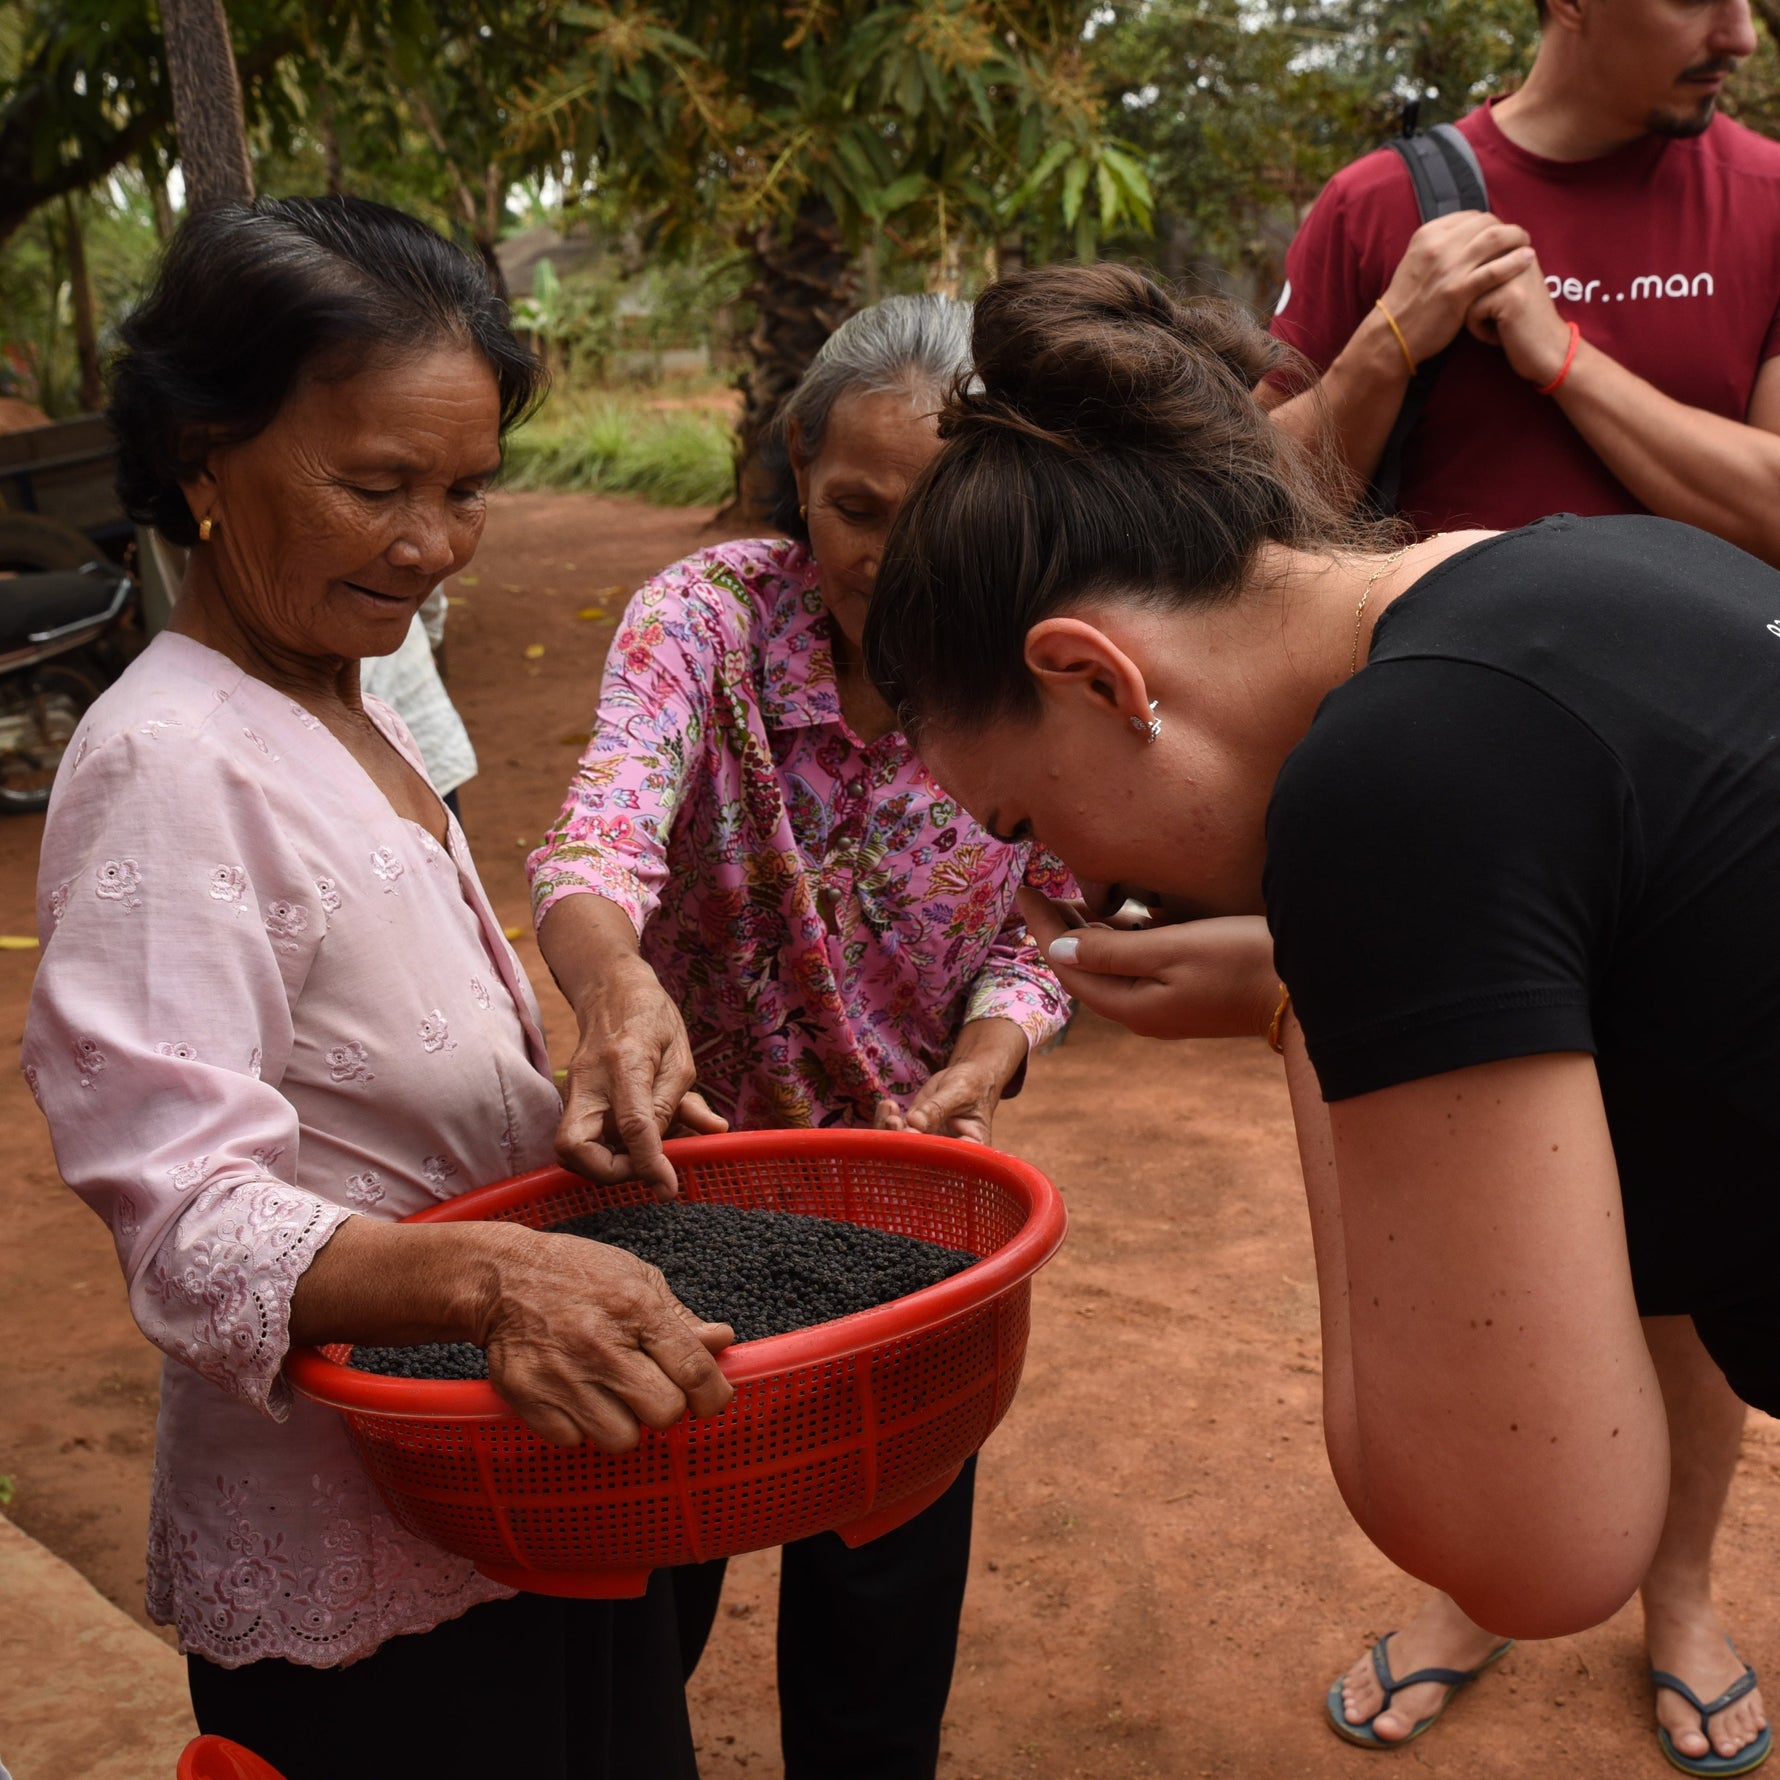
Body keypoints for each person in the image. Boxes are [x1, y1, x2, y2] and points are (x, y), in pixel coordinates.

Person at [863, 263, 1780, 1778]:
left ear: (1093, 674)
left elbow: (1527, 1543)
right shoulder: (1567, 570)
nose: (1075, 878)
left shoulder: (1390, 784)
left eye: (1029, 817)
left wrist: (1312, 1000)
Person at [20, 195, 734, 1780]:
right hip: (368, 1558)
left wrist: (581, 1082)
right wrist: (495, 1282)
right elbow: (187, 1213)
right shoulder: (165, 760)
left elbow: (363, 1058)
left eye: (467, 491)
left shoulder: (355, 691)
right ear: (206, 454)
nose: (431, 544)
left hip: (515, 1480)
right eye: (374, 486)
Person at [1266, 0, 1780, 1759]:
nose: (1740, 26)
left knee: (1699, 1244)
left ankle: (1686, 1593)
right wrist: (1386, 349)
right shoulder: (1371, 211)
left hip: (1702, 840)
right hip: (1454, 852)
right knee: (1479, 1251)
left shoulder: (1774, 200)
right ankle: (1474, 1582)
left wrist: (1563, 366)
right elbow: (1250, 535)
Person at [526, 294, 1071, 1779]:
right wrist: (615, 986)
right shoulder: (705, 617)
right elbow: (600, 835)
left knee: (879, 1641)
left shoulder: (1047, 664)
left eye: (935, 515)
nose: (888, 558)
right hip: (680, 1197)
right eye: (853, 507)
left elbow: (1053, 929)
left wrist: (985, 1057)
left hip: (906, 1207)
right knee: (647, 1604)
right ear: (794, 468)